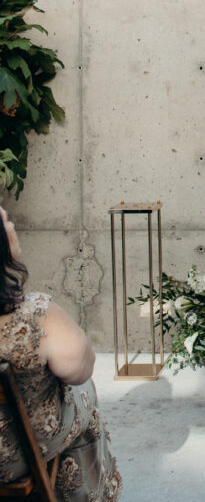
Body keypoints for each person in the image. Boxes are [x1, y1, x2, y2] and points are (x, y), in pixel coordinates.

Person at [0, 206, 123, 500]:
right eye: (6, 221)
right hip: (11, 458)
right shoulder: (35, 316)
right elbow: (81, 370)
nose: (13, 224)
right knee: (82, 395)